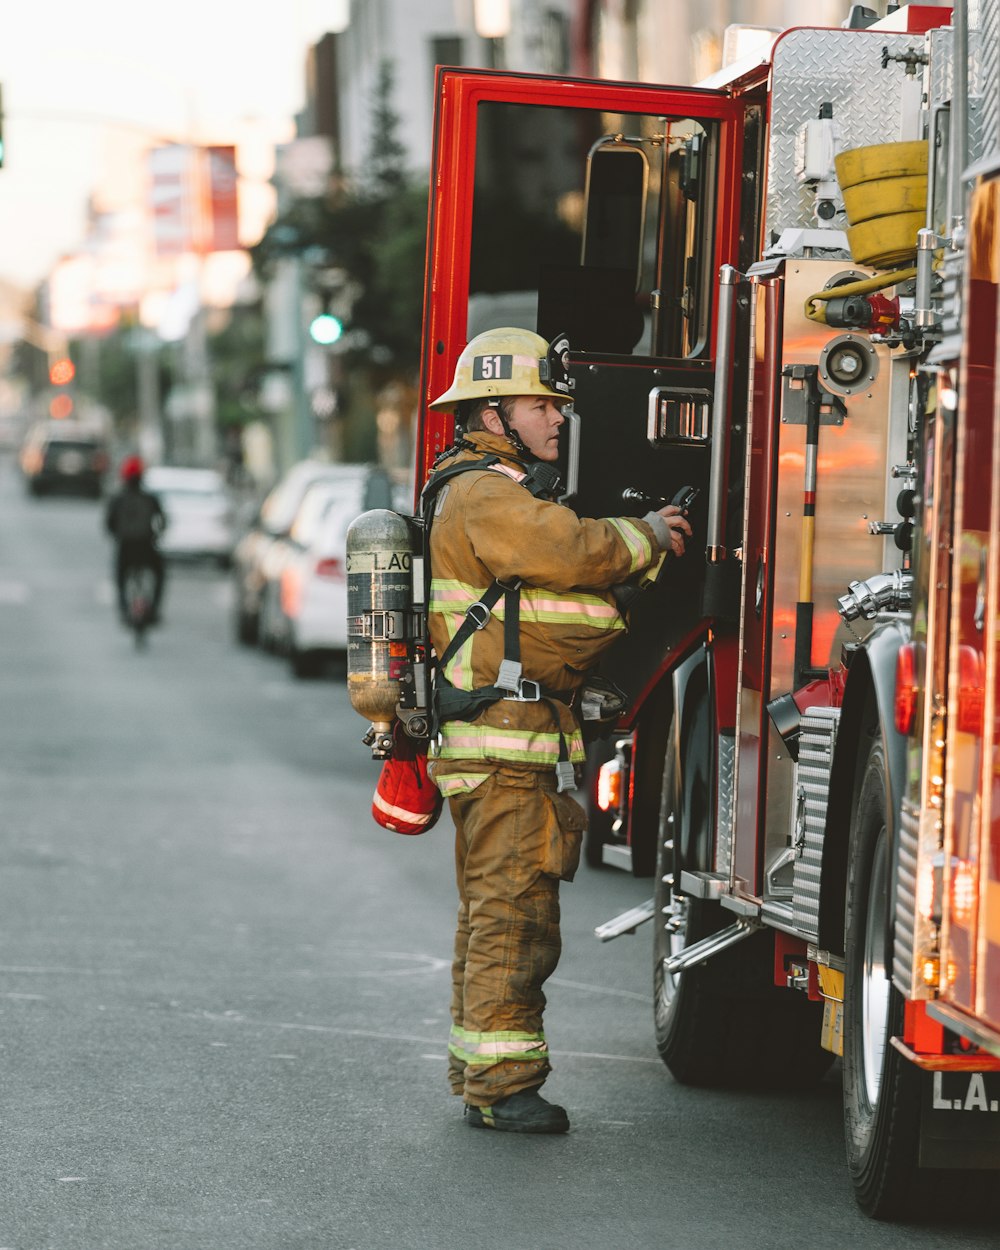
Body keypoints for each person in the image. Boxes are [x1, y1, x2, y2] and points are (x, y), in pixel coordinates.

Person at [424, 327, 691, 1134]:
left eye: (558, 404)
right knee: (515, 914)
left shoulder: (477, 488)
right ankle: (506, 1086)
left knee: (492, 909)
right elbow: (569, 551)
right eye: (542, 404)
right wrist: (649, 536)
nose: (559, 418)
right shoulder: (485, 495)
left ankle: (482, 1073)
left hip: (501, 739)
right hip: (503, 740)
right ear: (494, 412)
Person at [105, 455, 166, 623]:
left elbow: (109, 524)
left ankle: (124, 609)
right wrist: (157, 535)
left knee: (120, 578)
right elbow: (163, 520)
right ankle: (153, 609)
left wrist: (118, 536)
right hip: (147, 546)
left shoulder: (117, 499)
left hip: (125, 547)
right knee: (159, 574)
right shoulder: (150, 498)